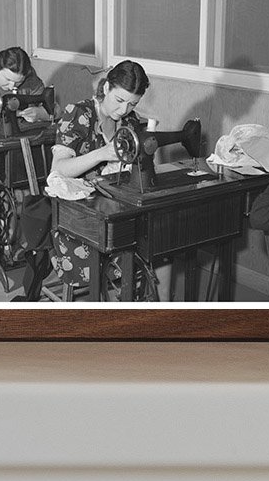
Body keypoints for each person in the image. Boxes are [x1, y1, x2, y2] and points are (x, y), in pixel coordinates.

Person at [14, 60, 172, 301]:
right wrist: (102, 154)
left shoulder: (129, 122)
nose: (124, 110)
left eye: (132, 104)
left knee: (162, 241)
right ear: (106, 88)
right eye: (119, 101)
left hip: (113, 204)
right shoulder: (78, 113)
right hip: (74, 215)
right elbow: (59, 170)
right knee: (112, 248)